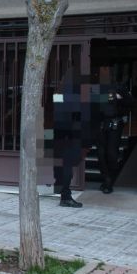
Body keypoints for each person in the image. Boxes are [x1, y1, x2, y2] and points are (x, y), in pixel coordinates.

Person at [95, 68, 132, 194]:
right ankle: (107, 179)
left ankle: (109, 179)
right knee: (100, 154)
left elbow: (131, 103)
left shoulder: (119, 87)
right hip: (100, 124)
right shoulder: (97, 89)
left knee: (111, 154)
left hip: (115, 124)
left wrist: (120, 98)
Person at [52, 70, 86, 208]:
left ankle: (64, 194)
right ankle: (65, 196)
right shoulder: (74, 98)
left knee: (62, 167)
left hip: (59, 135)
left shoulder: (58, 95)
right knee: (67, 168)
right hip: (70, 137)